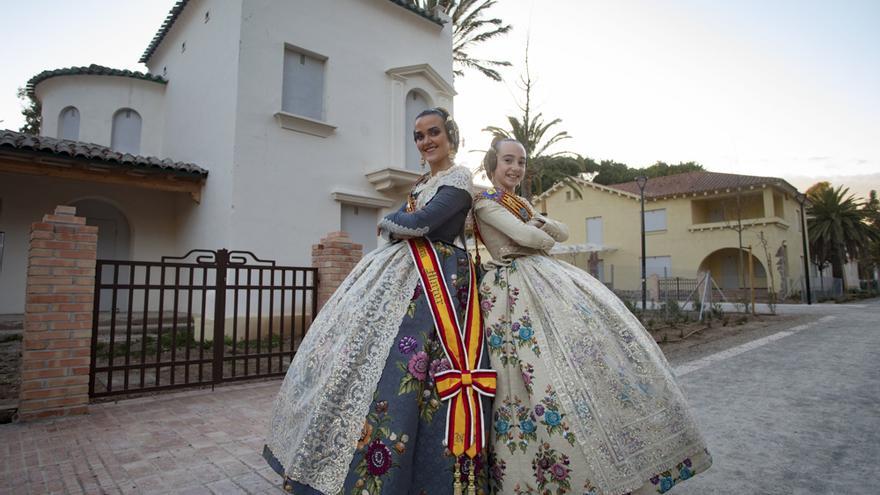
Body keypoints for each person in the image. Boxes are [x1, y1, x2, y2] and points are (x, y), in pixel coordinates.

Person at [264, 108, 493, 495]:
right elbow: (412, 220)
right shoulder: (423, 182)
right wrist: (397, 220)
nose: (426, 141)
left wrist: (388, 222)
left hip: (435, 284)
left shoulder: (459, 178)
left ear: (450, 135)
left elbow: (422, 224)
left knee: (416, 375)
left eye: (433, 132)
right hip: (405, 276)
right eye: (418, 136)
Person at [473, 137, 712, 495]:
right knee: (529, 376)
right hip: (513, 293)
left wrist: (538, 223)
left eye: (521, 162)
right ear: (493, 164)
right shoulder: (484, 205)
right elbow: (533, 237)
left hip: (544, 280)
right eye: (508, 160)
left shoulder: (520, 203)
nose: (515, 168)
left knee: (587, 359)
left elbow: (561, 231)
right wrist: (540, 229)